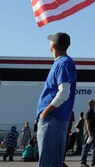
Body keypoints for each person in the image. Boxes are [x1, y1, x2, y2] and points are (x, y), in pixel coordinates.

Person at [36, 32, 77, 167]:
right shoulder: (65, 62)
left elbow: (64, 92)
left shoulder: (63, 63)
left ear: (52, 45)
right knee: (54, 162)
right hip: (57, 119)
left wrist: (46, 112)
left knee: (48, 162)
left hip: (52, 118)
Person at [80, 99, 95, 167]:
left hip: (93, 131)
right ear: (90, 104)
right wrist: (89, 133)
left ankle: (94, 161)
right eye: (93, 103)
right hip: (89, 131)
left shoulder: (92, 112)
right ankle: (82, 162)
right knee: (86, 147)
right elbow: (87, 123)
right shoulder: (89, 112)